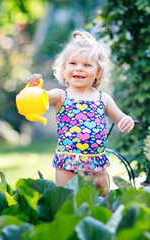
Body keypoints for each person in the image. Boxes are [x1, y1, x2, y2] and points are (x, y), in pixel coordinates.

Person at [27, 31, 134, 195]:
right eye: (73, 63)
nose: (79, 69)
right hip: (67, 164)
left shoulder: (103, 99)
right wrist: (34, 88)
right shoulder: (61, 96)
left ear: (98, 72)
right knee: (68, 201)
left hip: (96, 163)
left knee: (101, 201)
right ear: (64, 68)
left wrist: (128, 121)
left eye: (87, 65)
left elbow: (121, 119)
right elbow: (38, 100)